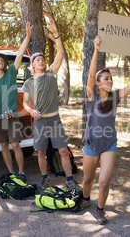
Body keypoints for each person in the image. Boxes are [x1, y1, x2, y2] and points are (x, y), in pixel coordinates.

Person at [81, 36, 130, 225]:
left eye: (111, 79)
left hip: (109, 144)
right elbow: (90, 75)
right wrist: (96, 49)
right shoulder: (91, 94)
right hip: (91, 144)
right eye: (106, 79)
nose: (110, 81)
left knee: (104, 181)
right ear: (98, 83)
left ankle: (100, 210)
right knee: (88, 180)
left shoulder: (115, 96)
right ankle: (86, 199)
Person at [22, 13, 81, 192]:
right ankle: (44, 179)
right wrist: (30, 111)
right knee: (40, 152)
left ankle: (70, 179)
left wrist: (56, 35)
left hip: (54, 120)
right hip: (39, 122)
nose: (41, 61)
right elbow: (25, 103)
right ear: (32, 64)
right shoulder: (29, 82)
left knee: (63, 150)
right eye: (37, 59)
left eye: (43, 59)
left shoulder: (50, 74)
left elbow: (61, 52)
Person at [0, 22, 33, 182]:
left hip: (12, 117)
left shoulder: (10, 74)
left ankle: (21, 172)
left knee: (15, 145)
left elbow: (20, 54)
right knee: (4, 146)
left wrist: (27, 37)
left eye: (2, 60)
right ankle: (12, 173)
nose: (0, 62)